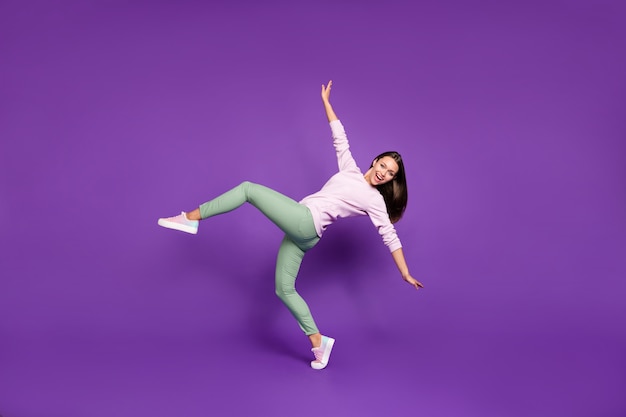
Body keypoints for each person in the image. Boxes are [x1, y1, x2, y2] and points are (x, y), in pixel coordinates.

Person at [157, 81, 423, 370]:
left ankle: (191, 219)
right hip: (307, 235)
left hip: (304, 221)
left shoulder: (375, 200)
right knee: (284, 289)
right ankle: (319, 342)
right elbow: (339, 136)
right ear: (376, 161)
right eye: (383, 165)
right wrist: (326, 102)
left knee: (248, 189)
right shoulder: (349, 169)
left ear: (392, 180)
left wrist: (405, 272)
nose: (384, 172)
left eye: (390, 173)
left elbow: (389, 235)